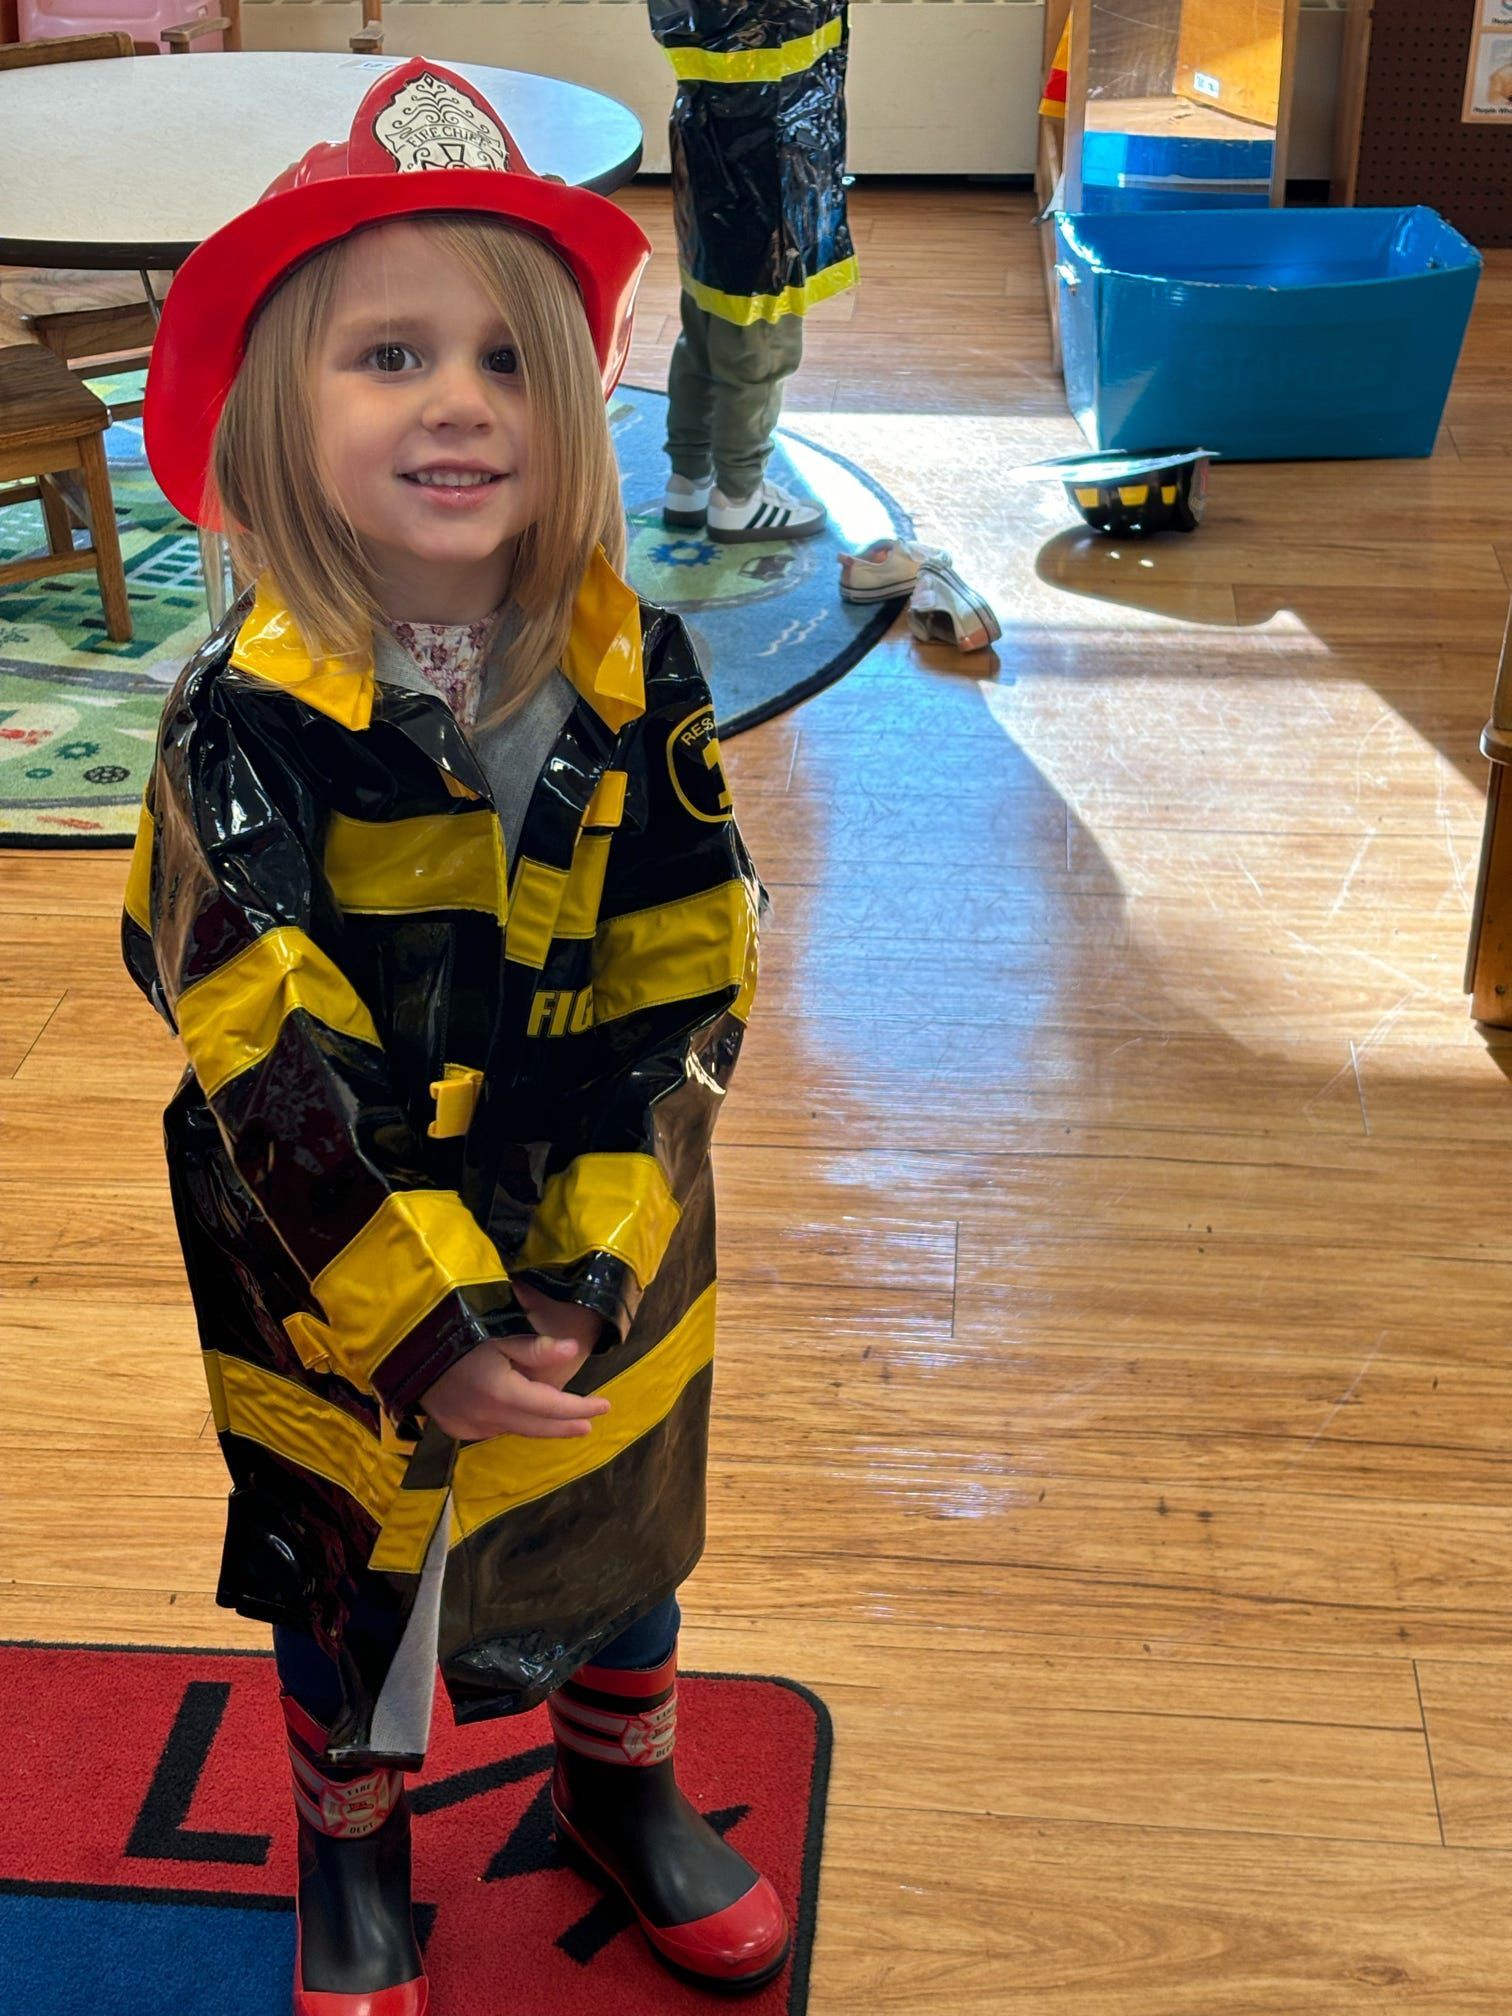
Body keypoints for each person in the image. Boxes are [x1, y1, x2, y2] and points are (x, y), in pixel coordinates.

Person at [121, 59, 779, 2015]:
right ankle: (352, 1860)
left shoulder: (634, 675)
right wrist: (430, 1322)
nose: (459, 400)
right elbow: (265, 1047)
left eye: (506, 358)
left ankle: (616, 1787)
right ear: (277, 410)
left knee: (618, 1529)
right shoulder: (240, 729)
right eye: (389, 355)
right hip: (334, 1257)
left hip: (602, 1226)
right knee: (348, 1573)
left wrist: (589, 1265)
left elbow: (689, 970)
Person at [649, 0, 857, 543]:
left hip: (706, 129)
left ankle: (688, 481)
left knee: (705, 326)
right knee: (759, 343)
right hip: (775, 144)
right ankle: (740, 497)